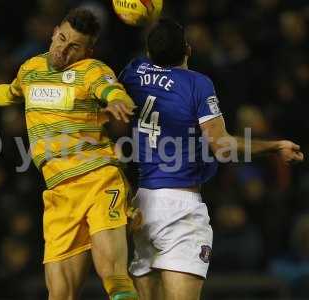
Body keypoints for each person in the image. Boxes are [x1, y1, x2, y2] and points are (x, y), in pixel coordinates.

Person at [0, 8, 138, 300]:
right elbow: (11, 92)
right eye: (61, 38)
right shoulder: (31, 69)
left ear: (88, 50)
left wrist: (117, 101)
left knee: (114, 277)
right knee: (59, 294)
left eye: (74, 46)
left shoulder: (93, 70)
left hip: (99, 180)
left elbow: (112, 90)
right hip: (59, 193)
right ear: (53, 33)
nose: (63, 48)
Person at [119, 18, 304, 300]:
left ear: (148, 51)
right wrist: (274, 146)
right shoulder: (197, 84)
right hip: (180, 208)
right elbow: (221, 145)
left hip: (142, 205)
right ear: (188, 51)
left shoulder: (133, 72)